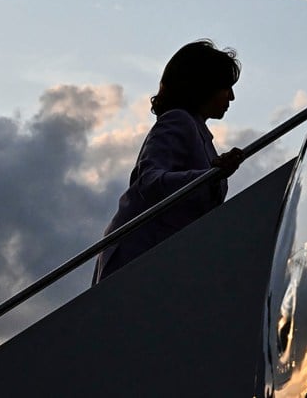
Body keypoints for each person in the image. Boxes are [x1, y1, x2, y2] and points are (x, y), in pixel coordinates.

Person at [92, 38, 245, 285]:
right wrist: (210, 175)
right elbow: (148, 182)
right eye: (227, 86)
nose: (232, 97)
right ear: (205, 85)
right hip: (140, 255)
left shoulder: (199, 132)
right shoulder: (178, 121)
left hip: (161, 256)